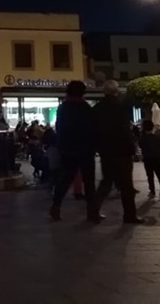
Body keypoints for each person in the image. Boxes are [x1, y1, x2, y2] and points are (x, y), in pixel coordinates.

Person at [92, 80, 142, 224]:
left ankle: (93, 210)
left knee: (106, 182)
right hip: (122, 151)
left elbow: (94, 131)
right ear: (116, 92)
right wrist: (133, 149)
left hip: (106, 151)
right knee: (126, 185)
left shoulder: (97, 108)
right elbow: (125, 131)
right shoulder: (120, 107)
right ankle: (129, 215)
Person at [49, 81, 97, 222]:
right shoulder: (85, 108)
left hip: (67, 149)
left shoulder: (63, 108)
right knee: (89, 181)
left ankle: (56, 205)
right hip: (85, 149)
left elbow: (60, 128)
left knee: (65, 178)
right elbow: (91, 129)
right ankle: (92, 212)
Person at [139, 119, 160, 197]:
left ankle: (152, 191)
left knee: (150, 175)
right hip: (156, 158)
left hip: (147, 158)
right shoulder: (156, 137)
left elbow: (141, 146)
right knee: (159, 173)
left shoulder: (143, 138)